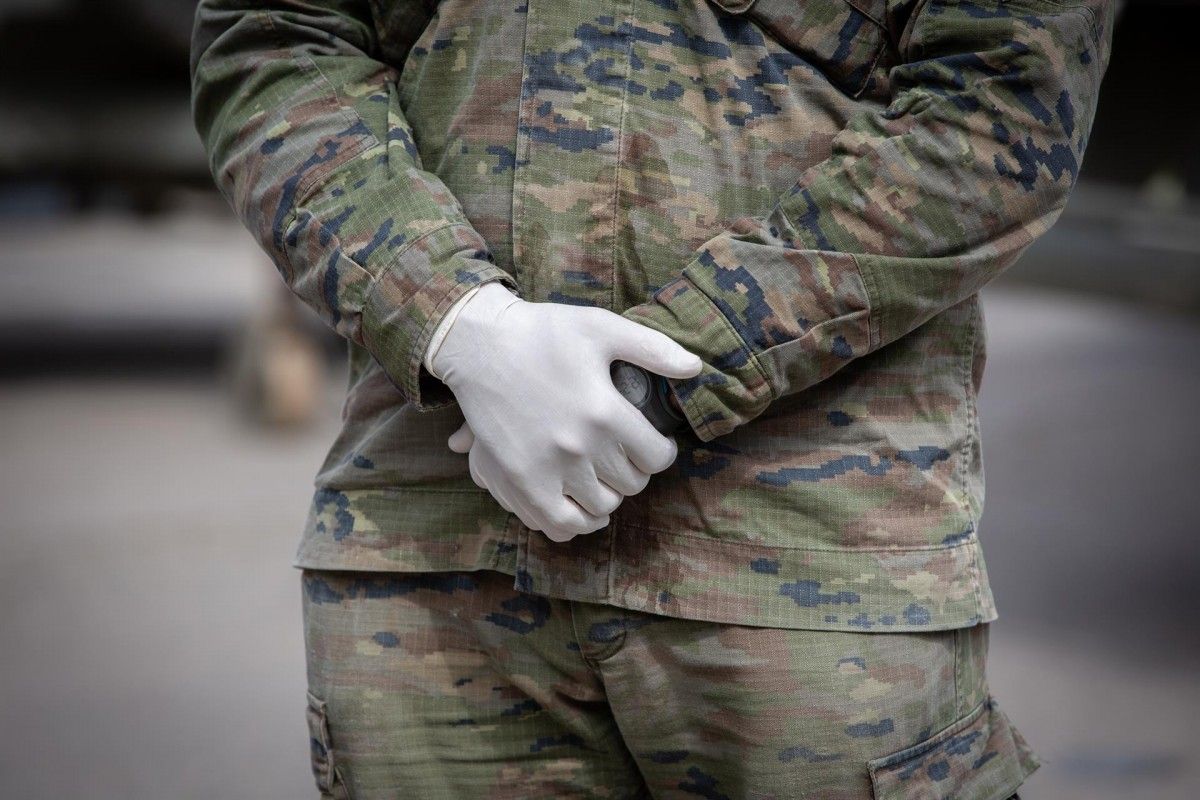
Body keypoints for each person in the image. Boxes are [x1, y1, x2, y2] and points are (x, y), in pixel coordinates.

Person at [191, 0, 1113, 796]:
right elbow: (278, 39)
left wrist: (653, 387)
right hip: (435, 557)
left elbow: (999, 108)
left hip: (804, 573)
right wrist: (455, 323)